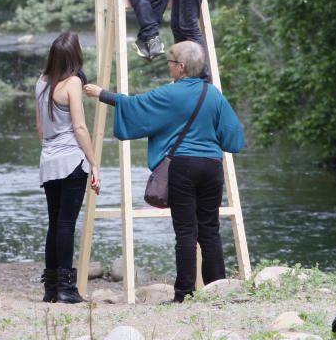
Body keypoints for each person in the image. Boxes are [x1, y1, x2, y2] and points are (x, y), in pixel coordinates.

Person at [84, 41, 243, 302]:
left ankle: (184, 294)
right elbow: (233, 135)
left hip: (183, 166)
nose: (168, 65)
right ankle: (219, 292)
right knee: (210, 229)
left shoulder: (171, 94)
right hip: (213, 166)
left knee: (185, 232)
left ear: (181, 68)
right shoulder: (213, 94)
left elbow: (134, 105)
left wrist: (101, 93)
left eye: (170, 61)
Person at [35, 33, 100, 304]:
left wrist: (49, 148)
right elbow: (80, 127)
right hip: (72, 160)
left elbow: (40, 126)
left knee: (54, 224)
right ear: (74, 55)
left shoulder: (41, 82)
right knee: (66, 225)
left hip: (48, 159)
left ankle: (51, 287)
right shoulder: (72, 83)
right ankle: (67, 288)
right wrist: (94, 162)